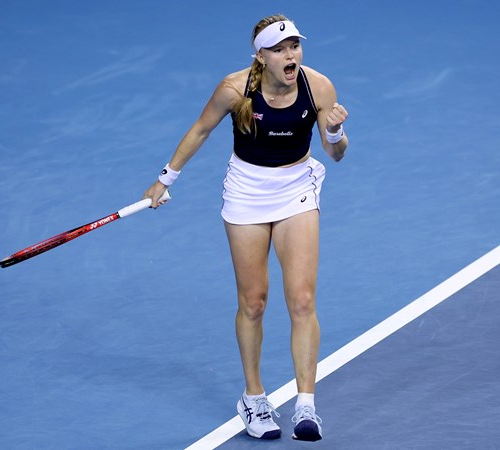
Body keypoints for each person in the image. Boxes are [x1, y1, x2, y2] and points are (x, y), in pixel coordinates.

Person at [144, 14, 348, 442]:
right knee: (254, 302)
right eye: (280, 48)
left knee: (302, 299)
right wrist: (166, 179)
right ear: (261, 56)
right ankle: (253, 397)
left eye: (294, 45)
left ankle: (306, 406)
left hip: (296, 188)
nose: (290, 54)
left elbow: (336, 153)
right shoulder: (235, 89)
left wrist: (335, 130)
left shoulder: (319, 87)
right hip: (247, 192)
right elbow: (200, 130)